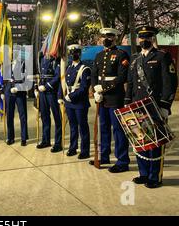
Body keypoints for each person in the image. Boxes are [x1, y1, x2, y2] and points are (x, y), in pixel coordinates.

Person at [125, 25, 178, 188]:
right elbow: (131, 82)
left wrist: (165, 105)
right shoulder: (135, 58)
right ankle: (144, 173)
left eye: (147, 37)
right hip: (137, 106)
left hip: (155, 106)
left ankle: (155, 177)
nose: (144, 40)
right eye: (141, 37)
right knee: (140, 141)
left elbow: (170, 82)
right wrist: (128, 102)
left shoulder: (162, 56)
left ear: (153, 38)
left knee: (155, 142)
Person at [91, 28, 130, 173]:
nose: (106, 39)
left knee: (118, 130)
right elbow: (94, 74)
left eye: (109, 36)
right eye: (104, 37)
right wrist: (95, 89)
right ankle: (105, 156)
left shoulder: (121, 54)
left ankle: (122, 161)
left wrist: (103, 88)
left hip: (115, 97)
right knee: (104, 128)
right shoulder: (99, 55)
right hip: (101, 97)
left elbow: (121, 77)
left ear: (114, 38)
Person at [58, 45, 91, 159]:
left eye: (75, 52)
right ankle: (73, 147)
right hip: (69, 102)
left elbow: (84, 88)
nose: (73, 55)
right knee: (72, 126)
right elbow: (63, 83)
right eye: (71, 53)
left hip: (79, 102)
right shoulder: (68, 68)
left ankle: (85, 150)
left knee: (82, 126)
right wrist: (61, 96)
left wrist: (71, 96)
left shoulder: (84, 68)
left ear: (79, 53)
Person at [35, 54, 63, 153]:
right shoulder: (42, 58)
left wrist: (47, 86)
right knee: (44, 117)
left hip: (52, 92)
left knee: (57, 118)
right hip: (43, 92)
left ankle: (58, 143)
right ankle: (46, 140)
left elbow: (58, 76)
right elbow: (41, 74)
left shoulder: (57, 59)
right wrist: (37, 87)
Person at [2, 47, 29, 146]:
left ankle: (23, 138)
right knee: (9, 115)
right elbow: (4, 80)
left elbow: (26, 79)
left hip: (19, 91)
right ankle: (10, 137)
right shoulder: (7, 64)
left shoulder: (24, 64)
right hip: (9, 90)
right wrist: (2, 91)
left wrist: (18, 87)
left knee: (22, 115)